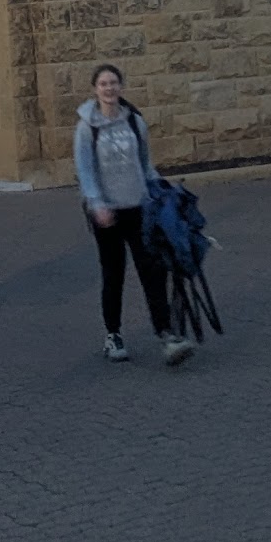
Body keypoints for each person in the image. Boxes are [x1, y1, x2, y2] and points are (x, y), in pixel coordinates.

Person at [74, 64, 192, 366]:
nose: (109, 88)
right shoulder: (87, 126)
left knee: (152, 271)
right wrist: (97, 203)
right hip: (107, 214)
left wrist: (160, 193)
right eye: (103, 84)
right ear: (95, 89)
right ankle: (113, 335)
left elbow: (145, 163)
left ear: (121, 87)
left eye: (113, 83)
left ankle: (166, 333)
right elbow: (85, 171)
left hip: (138, 209)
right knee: (113, 274)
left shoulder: (135, 121)